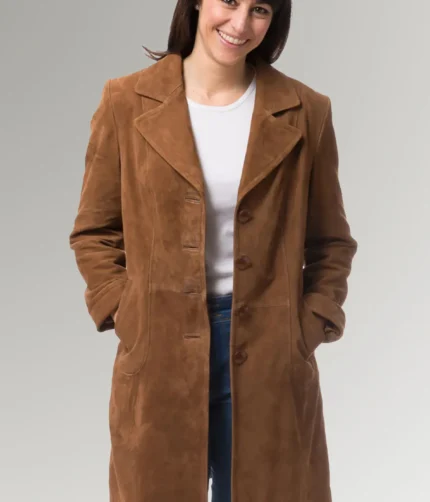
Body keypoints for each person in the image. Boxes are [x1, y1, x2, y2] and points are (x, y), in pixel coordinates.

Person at [69, 1, 358, 501]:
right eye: (229, 0)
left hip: (270, 351)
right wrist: (127, 310)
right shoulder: (125, 101)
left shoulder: (306, 109)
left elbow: (331, 240)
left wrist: (308, 323)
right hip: (159, 350)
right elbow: (95, 230)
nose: (240, 24)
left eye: (260, 9)